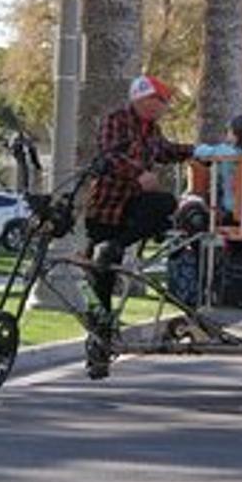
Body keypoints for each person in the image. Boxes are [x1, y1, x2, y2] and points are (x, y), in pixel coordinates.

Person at [83, 74, 193, 377]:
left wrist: (202, 153)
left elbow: (167, 151)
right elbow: (109, 153)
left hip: (133, 209)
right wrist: (137, 174)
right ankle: (98, 348)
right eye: (159, 100)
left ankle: (118, 244)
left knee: (166, 204)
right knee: (100, 280)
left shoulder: (152, 131)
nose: (163, 106)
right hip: (105, 208)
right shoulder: (116, 121)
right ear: (141, 98)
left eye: (165, 101)